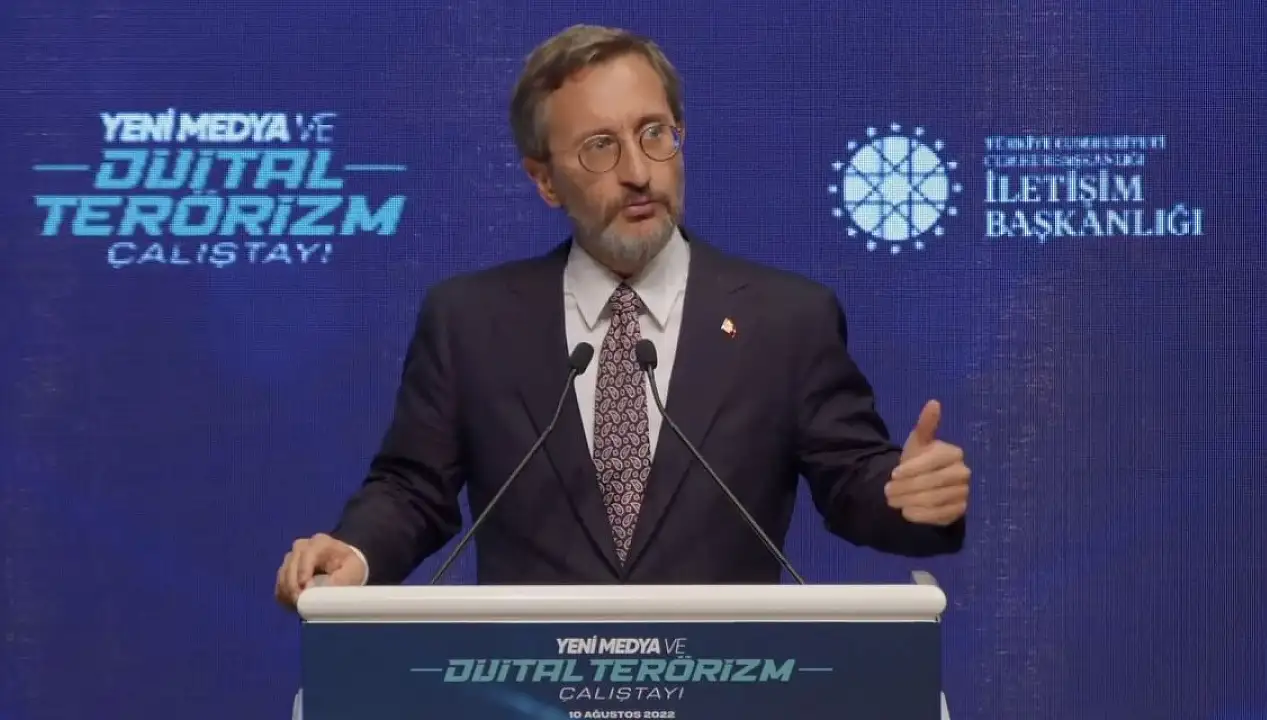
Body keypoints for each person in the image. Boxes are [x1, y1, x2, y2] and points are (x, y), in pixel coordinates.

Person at [275, 24, 970, 609]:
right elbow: (413, 491)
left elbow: (852, 481)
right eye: (600, 147)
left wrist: (907, 495)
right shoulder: (470, 322)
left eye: (654, 134)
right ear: (544, 180)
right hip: (527, 694)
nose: (638, 171)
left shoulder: (786, 320)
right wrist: (355, 555)